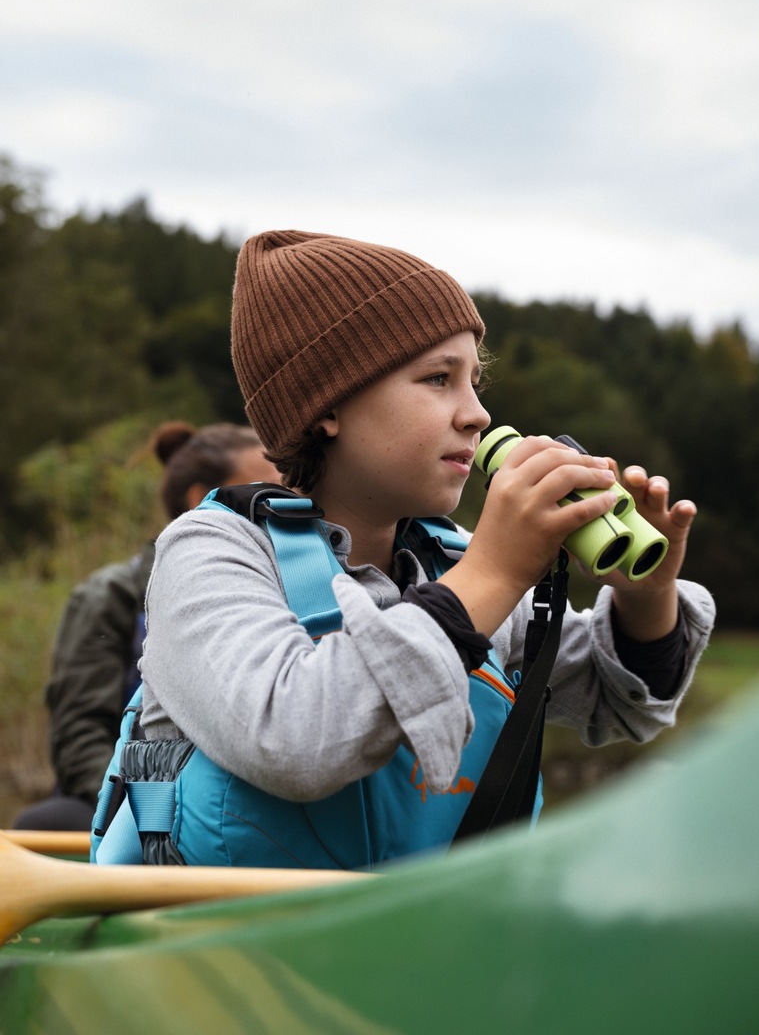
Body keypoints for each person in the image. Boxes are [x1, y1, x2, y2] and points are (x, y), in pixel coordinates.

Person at [97, 229, 715, 869]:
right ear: (326, 406)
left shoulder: (451, 564)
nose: (476, 414)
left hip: (417, 959)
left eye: (476, 382)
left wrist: (648, 594)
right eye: (439, 379)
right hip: (222, 958)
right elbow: (292, 739)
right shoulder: (211, 552)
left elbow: (617, 697)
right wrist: (497, 570)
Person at [13, 420, 278, 832]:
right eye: (265, 488)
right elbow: (80, 733)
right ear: (200, 501)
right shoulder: (110, 597)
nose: (284, 501)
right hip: (131, 804)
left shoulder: (291, 584)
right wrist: (142, 813)